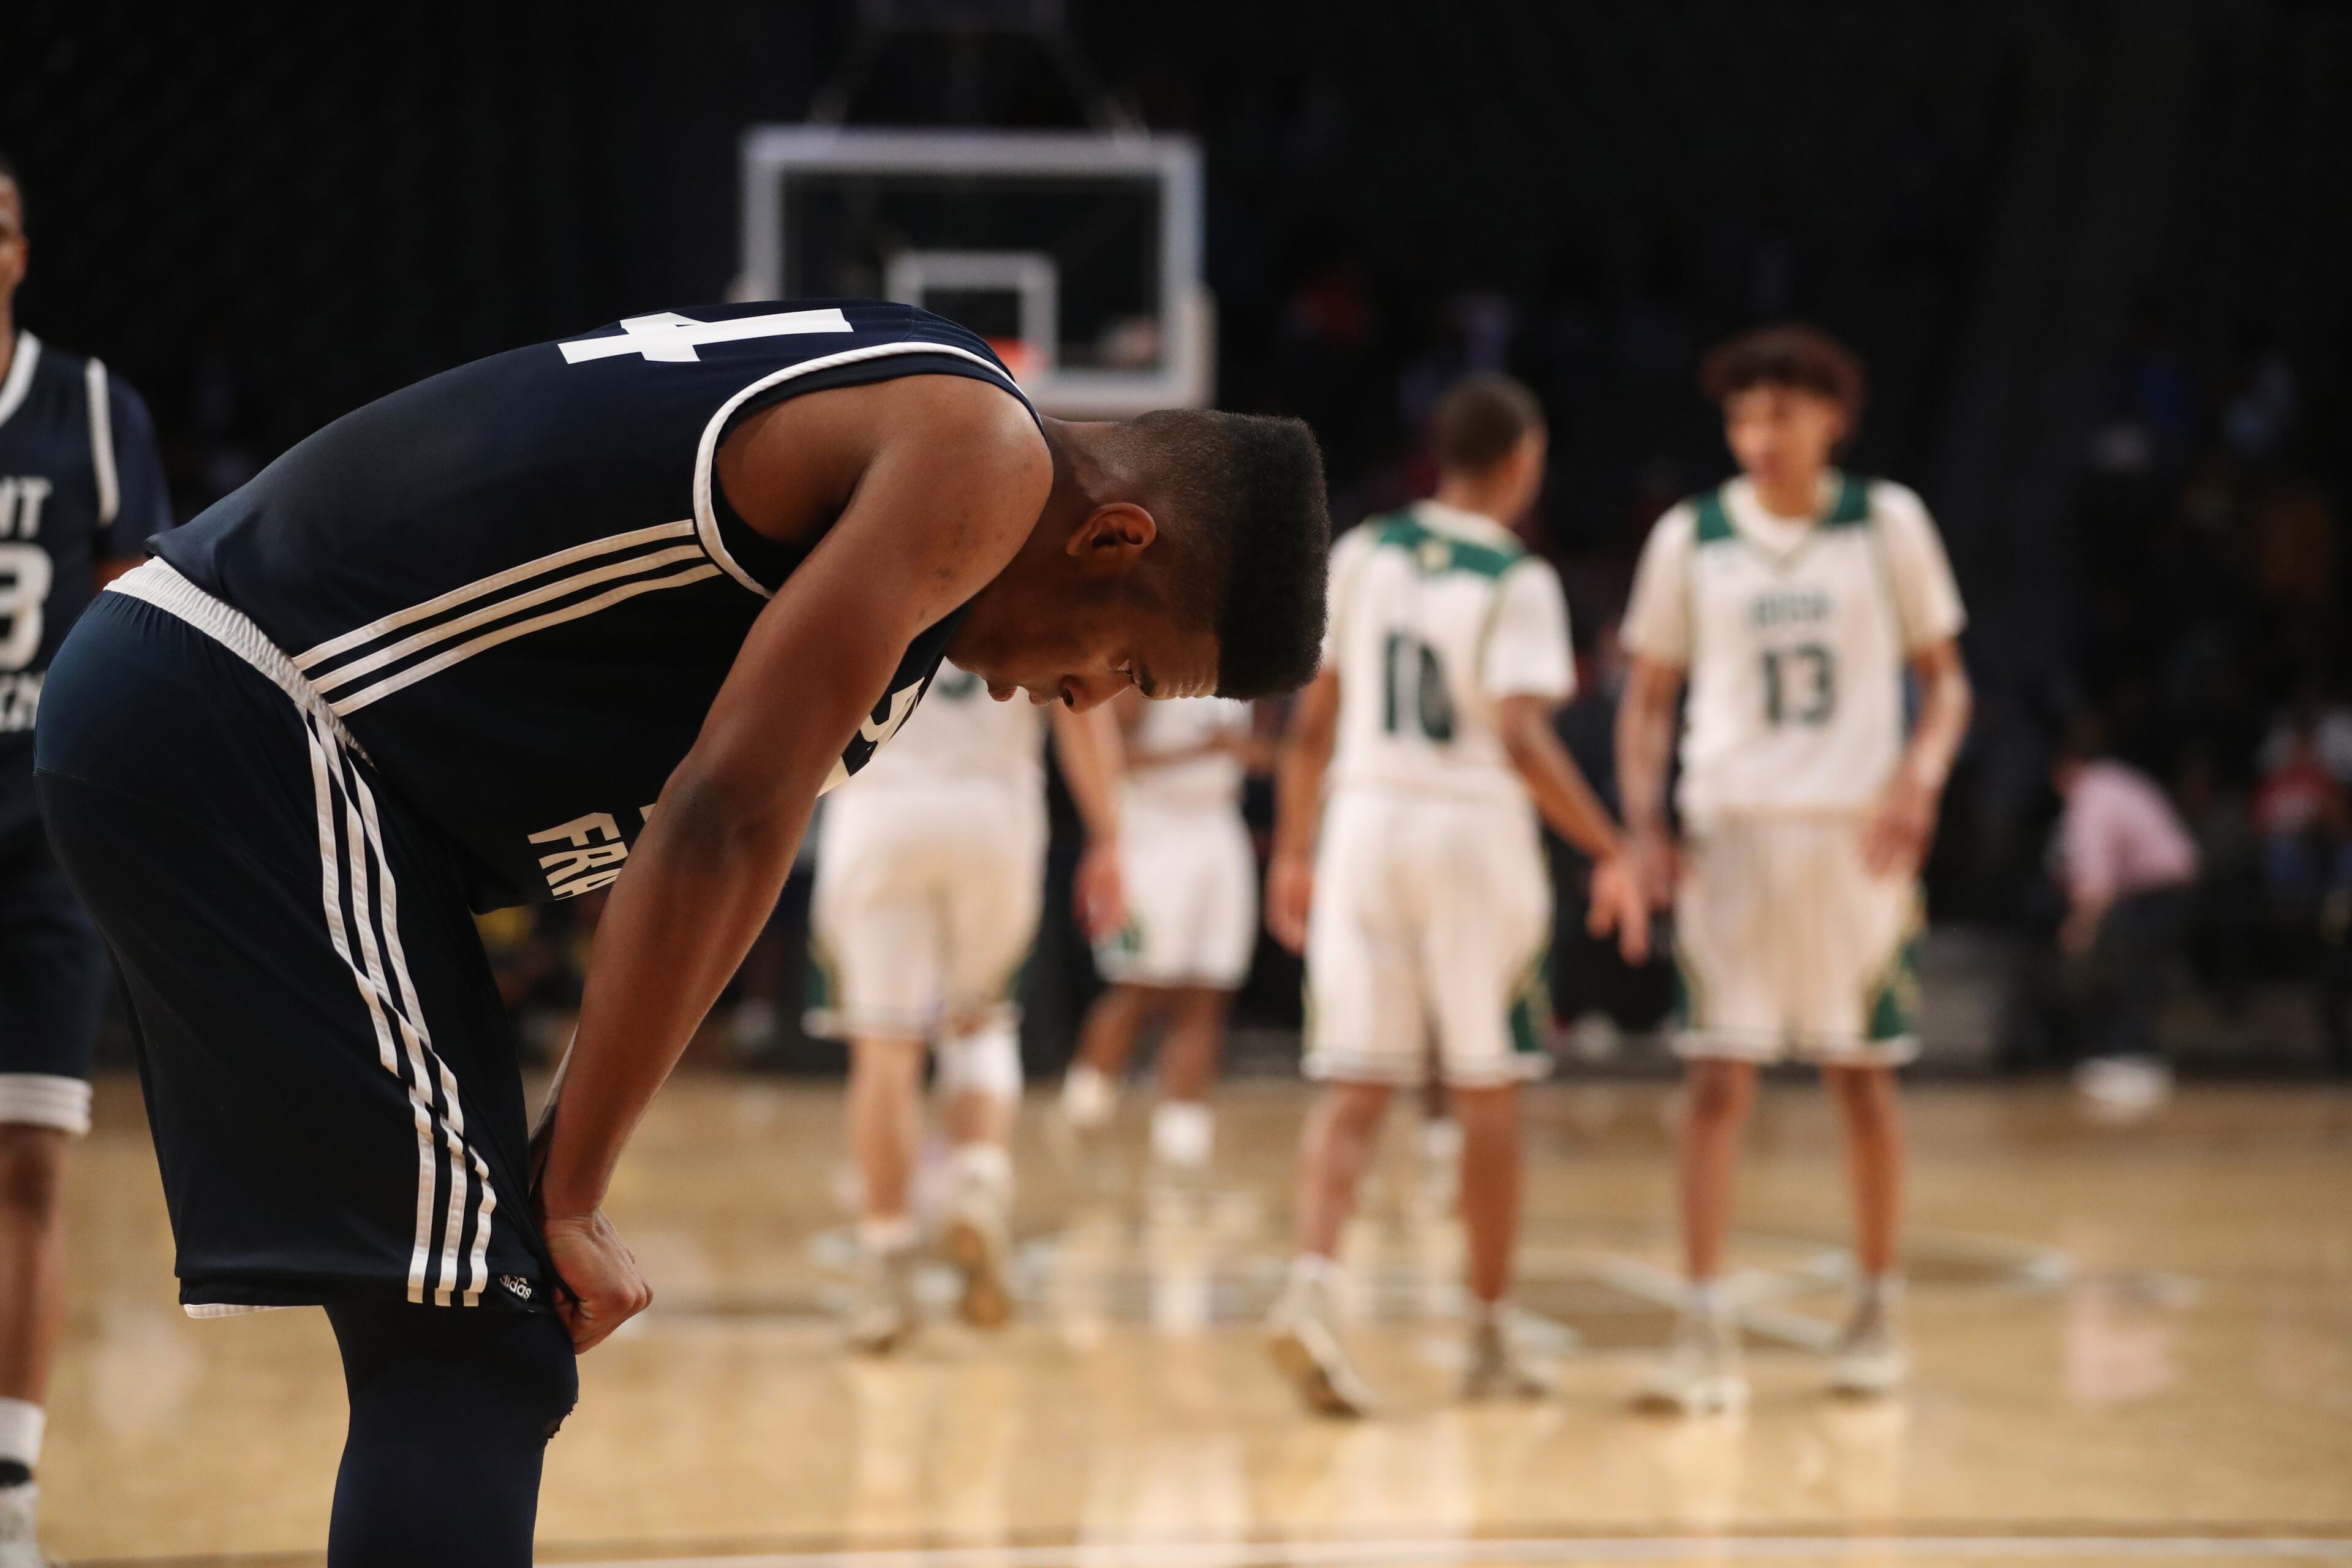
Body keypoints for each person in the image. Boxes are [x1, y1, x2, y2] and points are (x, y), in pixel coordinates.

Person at [32, 298, 1330, 1564]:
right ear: (1114, 538)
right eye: (1136, 668)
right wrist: (571, 1187)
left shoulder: (929, 444)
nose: (1090, 702)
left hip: (277, 740)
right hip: (249, 712)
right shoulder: (978, 459)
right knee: (478, 1346)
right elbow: (719, 822)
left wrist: (556, 1174)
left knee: (480, 1338)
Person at [1262, 374, 1646, 1417]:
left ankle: (1311, 1288)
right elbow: (1520, 737)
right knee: (1486, 1090)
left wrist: (1292, 852)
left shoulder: (1364, 552)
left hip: (1364, 823)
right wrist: (1612, 845)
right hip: (1470, 831)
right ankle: (1486, 1332)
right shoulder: (1516, 575)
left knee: (1354, 1088)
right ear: (1523, 460)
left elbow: (1311, 725)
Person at [1615, 324, 1972, 1413]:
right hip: (1732, 832)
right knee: (1717, 1080)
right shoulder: (1692, 535)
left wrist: (1920, 778)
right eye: (1741, 417)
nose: (1756, 436)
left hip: (1853, 834)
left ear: (1832, 418)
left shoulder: (1889, 521)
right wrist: (1643, 826)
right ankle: (1704, 1322)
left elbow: (1947, 684)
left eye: (1778, 415)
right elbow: (1647, 703)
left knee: (1863, 1079)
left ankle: (1876, 1307)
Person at [0, 153, 172, 1566]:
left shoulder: (92, 411)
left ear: (19, 248)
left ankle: (8, 1488)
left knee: (32, 1164)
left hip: (38, 837)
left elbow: (131, 627)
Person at [808, 666, 1123, 1351]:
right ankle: (978, 1180)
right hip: (995, 809)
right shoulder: (1019, 565)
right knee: (981, 1020)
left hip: (880, 807)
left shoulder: (859, 563)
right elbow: (1081, 712)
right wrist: (1109, 835)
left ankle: (887, 1257)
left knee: (886, 1049)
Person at [1060, 690, 1267, 1188]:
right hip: (1153, 829)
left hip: (1217, 826)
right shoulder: (1148, 666)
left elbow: (1252, 750)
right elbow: (1114, 756)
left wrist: (1254, 756)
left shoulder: (1238, 658)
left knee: (1209, 992)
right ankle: (1083, 1117)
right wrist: (1201, 752)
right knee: (1137, 991)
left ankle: (1182, 1151)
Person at [2051, 723, 2199, 1114]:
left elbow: (2095, 879)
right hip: (2173, 890)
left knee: (2126, 971)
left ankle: (2127, 1061)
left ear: (2065, 769)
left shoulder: (2090, 792)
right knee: (2139, 971)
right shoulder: (2120, 778)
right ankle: (2134, 1059)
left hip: (2158, 892)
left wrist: (2079, 927)